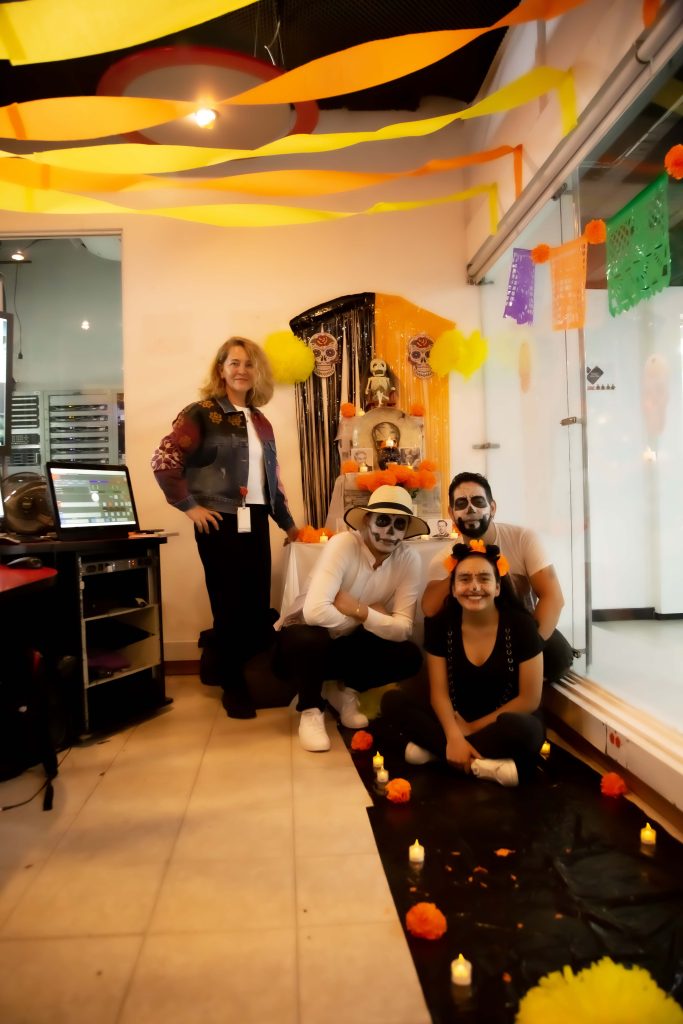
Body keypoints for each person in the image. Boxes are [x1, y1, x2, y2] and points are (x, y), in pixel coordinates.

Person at [152, 336, 299, 719]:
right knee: (229, 604)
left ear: (257, 372)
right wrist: (190, 507)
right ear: (221, 369)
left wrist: (288, 525)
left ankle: (240, 672)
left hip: (256, 518)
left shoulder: (261, 421)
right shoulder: (201, 413)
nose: (241, 370)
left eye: (249, 364)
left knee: (255, 603)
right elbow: (164, 458)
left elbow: (272, 480)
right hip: (219, 520)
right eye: (234, 363)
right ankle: (233, 685)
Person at [276, 485, 428, 751]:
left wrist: (361, 611)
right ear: (367, 520)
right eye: (383, 520)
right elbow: (314, 612)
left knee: (409, 655)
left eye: (399, 524)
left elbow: (403, 628)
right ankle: (311, 709)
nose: (390, 531)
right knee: (310, 638)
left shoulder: (409, 559)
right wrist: (373, 616)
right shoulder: (344, 544)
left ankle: (346, 691)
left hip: (348, 644)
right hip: (301, 644)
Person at [382, 541, 544, 786]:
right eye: (465, 579)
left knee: (526, 731)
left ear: (497, 587)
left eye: (484, 579)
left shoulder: (522, 625)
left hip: (498, 722)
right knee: (392, 702)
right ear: (453, 588)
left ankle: (436, 753)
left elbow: (529, 699)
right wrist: (454, 735)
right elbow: (439, 694)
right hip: (454, 717)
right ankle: (479, 764)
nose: (474, 587)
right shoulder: (441, 625)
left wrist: (470, 729)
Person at [422, 471, 573, 681]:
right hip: (473, 633)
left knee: (558, 656)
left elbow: (553, 598)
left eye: (478, 501)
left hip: (521, 629)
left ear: (492, 508)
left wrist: (531, 647)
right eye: (461, 504)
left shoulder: (523, 539)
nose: (471, 509)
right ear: (451, 512)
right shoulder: (444, 558)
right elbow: (430, 610)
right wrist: (459, 567)